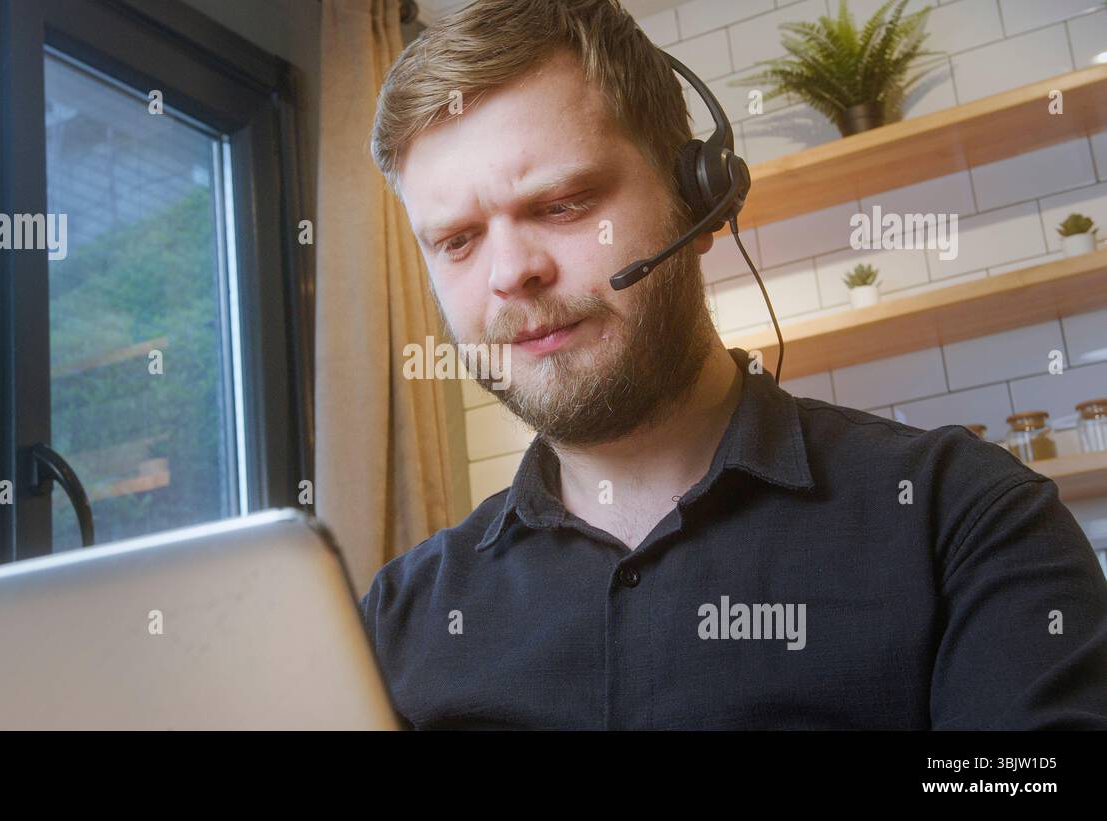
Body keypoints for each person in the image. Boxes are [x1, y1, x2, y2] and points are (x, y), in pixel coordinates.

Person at [357, 0, 1107, 729]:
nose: (509, 273)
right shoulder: (393, 622)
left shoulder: (969, 520)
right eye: (456, 240)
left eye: (563, 203)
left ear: (700, 202)